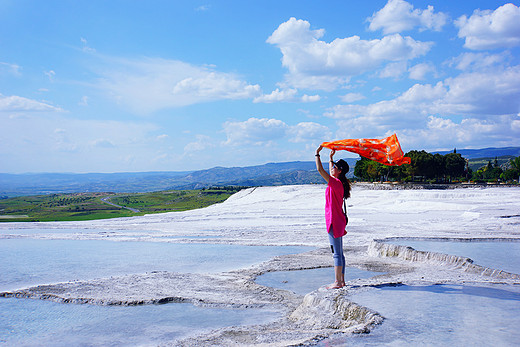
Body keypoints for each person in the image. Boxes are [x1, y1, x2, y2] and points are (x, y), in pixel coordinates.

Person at [315, 145, 351, 289]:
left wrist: (317, 154)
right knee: (340, 253)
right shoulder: (340, 182)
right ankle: (342, 281)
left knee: (336, 254)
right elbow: (330, 169)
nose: (332, 168)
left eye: (334, 167)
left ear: (340, 170)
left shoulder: (335, 183)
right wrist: (330, 158)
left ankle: (337, 282)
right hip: (338, 220)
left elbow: (320, 170)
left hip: (334, 221)